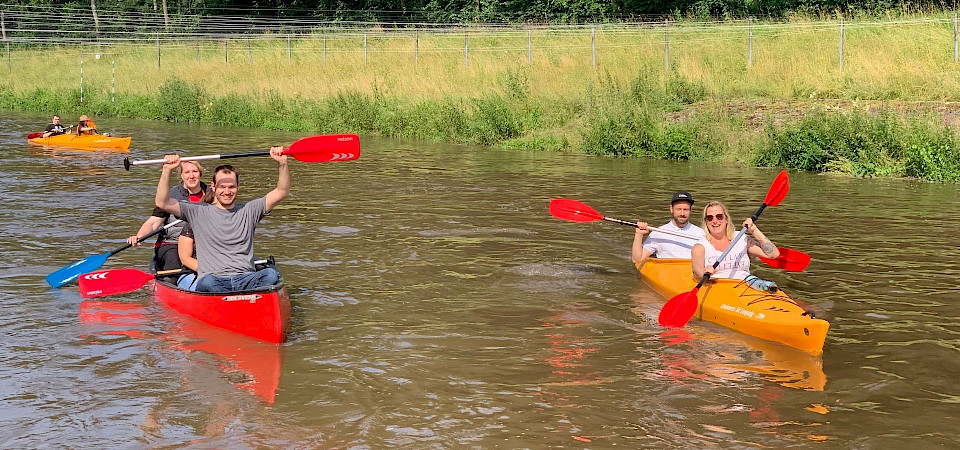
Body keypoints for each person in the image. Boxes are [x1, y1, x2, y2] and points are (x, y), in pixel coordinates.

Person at [154, 147, 289, 293]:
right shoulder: (197, 211)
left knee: (271, 274)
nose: (227, 191)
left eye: (231, 187)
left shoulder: (250, 210)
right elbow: (162, 202)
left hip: (245, 278)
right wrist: (167, 170)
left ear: (238, 187)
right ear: (213, 187)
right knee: (208, 281)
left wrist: (282, 163)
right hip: (213, 281)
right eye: (222, 186)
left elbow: (282, 191)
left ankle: (246, 299)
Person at [127, 161, 208, 273]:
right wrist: (139, 236)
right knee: (173, 266)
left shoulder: (211, 195)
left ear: (200, 173)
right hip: (171, 243)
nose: (191, 176)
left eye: (195, 171)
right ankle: (171, 281)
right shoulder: (169, 197)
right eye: (187, 172)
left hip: (201, 244)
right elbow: (153, 222)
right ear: (181, 175)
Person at [691, 201, 782, 291]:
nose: (715, 221)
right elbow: (697, 270)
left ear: (726, 219)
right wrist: (704, 272)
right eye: (710, 218)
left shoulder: (741, 238)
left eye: (719, 217)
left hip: (745, 285)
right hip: (717, 288)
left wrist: (754, 230)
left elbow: (773, 254)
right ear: (706, 222)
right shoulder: (700, 247)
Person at [632, 191, 706, 268]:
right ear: (671, 209)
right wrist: (638, 235)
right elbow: (637, 259)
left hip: (691, 273)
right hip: (667, 273)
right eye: (679, 209)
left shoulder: (701, 234)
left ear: (691, 210)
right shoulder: (658, 233)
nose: (682, 213)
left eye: (685, 209)